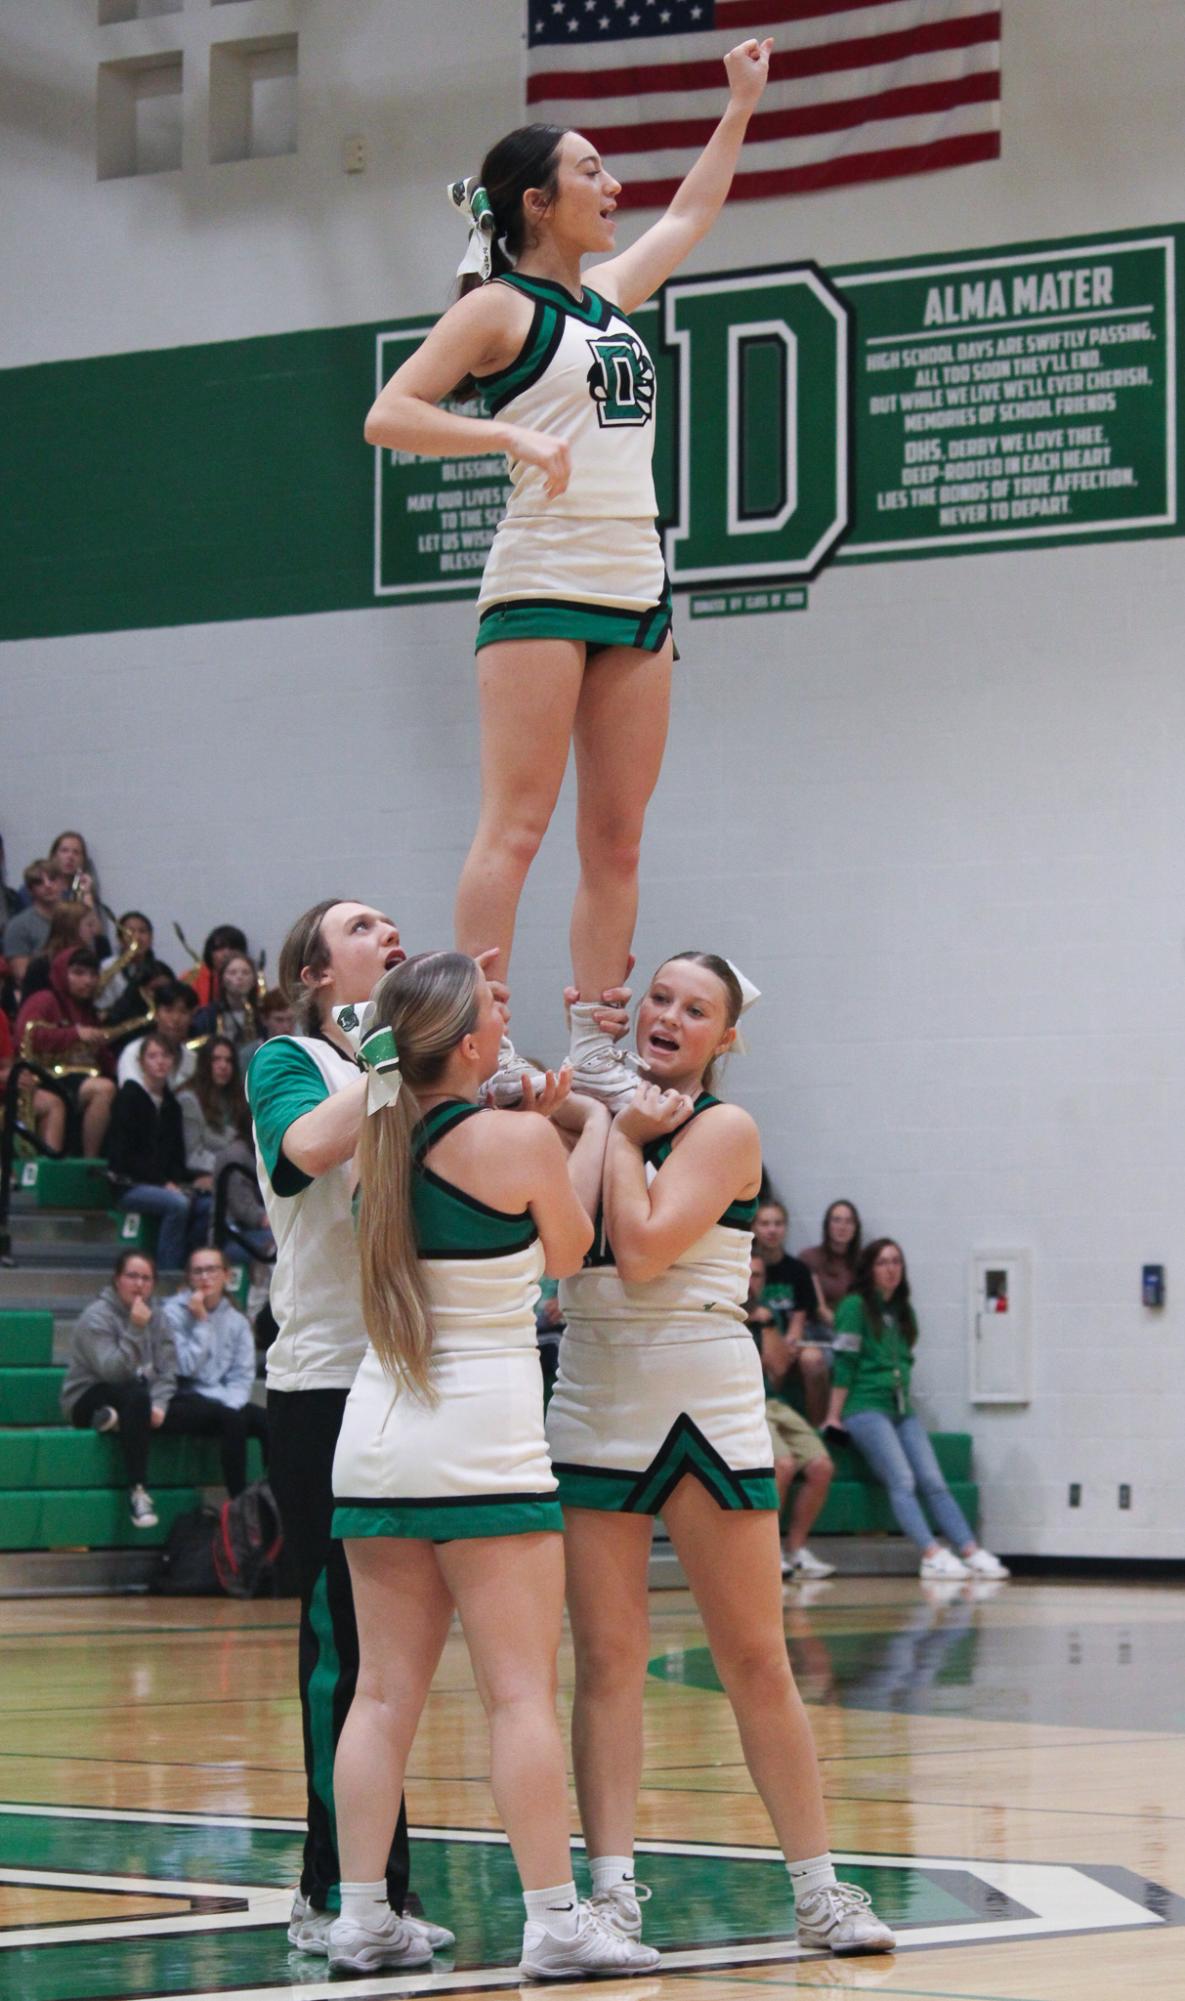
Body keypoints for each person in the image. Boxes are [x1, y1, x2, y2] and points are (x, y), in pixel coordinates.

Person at [363, 39, 773, 1106]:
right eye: (592, 171)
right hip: (540, 577)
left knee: (617, 836)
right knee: (519, 824)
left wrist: (739, 106)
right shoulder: (498, 309)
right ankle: (477, 1038)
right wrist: (509, 444)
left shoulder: (612, 296)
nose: (614, 187)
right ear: (538, 203)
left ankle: (595, 1048)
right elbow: (389, 412)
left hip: (637, 582)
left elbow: (688, 217)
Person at [546, 953, 895, 1957]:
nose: (670, 1015)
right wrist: (577, 1102)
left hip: (703, 1401)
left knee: (755, 1658)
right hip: (595, 1393)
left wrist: (613, 1129)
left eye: (696, 1009)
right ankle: (610, 1896)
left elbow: (646, 1246)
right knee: (607, 1663)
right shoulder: (599, 1109)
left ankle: (819, 1891)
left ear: (724, 1038)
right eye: (658, 996)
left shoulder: (723, 1128)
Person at [327, 950, 656, 1981]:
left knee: (380, 1697)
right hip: (486, 1444)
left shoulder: (368, 1142)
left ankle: (361, 1916)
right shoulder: (515, 1139)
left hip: (376, 1439)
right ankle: (555, 1921)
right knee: (518, 1694)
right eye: (491, 1019)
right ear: (471, 1045)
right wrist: (591, 1122)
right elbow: (569, 1251)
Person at [245, 898, 450, 1960]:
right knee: (342, 1640)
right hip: (322, 1384)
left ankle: (382, 1886)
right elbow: (303, 1153)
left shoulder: (398, 1069)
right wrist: (378, 1062)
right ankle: (330, 1888)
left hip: (407, 1377)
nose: (389, 928)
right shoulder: (290, 1058)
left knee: (396, 1652)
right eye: (362, 924)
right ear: (315, 973)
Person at [825, 1240, 1009, 1583]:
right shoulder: (854, 1306)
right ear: (869, 1269)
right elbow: (845, 1361)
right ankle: (930, 1553)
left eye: (896, 1262)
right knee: (902, 1479)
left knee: (933, 1479)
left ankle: (969, 1549)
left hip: (900, 1407)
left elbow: (906, 1353)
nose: (891, 1268)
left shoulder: (902, 1310)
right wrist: (834, 1415)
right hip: (865, 1406)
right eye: (882, 1262)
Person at [59, 1249, 177, 1529]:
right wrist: (136, 1328)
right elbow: (114, 1372)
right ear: (117, 1280)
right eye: (132, 1276)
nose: (139, 1284)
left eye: (146, 1278)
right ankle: (138, 1491)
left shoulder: (158, 1317)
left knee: (169, 1404)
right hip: (86, 1396)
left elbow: (168, 1369)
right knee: (135, 1396)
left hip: (134, 1396)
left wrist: (160, 1404)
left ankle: (114, 1421)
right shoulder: (96, 1317)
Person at [747, 1252, 835, 1583]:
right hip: (747, 1403)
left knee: (821, 1466)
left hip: (775, 1400)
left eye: (758, 1276)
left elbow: (781, 1369)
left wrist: (767, 1324)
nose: (752, 1281)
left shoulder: (766, 1316)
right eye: (748, 1274)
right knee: (782, 1465)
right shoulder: (723, 1312)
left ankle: (795, 1550)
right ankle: (767, 1556)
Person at [161, 1247, 269, 1496]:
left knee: (267, 1421)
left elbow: (242, 1377)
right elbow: (185, 1367)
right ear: (189, 1277)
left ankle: (273, 1496)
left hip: (223, 1398)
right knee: (232, 1420)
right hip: (184, 1396)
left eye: (211, 1270)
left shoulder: (237, 1321)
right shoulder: (171, 1314)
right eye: (197, 1271)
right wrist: (201, 1322)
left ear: (226, 1275)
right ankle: (238, 1502)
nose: (205, 1277)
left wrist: (231, 1403)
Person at [105, 1030, 212, 1269]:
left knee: (207, 1204)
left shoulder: (172, 1105)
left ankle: (193, 1267)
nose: (160, 1061)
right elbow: (124, 1157)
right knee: (177, 1204)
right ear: (141, 1062)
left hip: (163, 1182)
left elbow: (176, 1156)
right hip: (129, 1183)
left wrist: (193, 1180)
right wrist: (163, 1183)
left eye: (165, 1056)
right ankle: (167, 1271)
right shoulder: (129, 1097)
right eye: (153, 1056)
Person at [14, 946, 118, 1156]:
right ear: (63, 972)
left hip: (77, 1078)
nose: (87, 981)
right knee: (104, 1089)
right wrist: (75, 1034)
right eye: (79, 973)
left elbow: (102, 1057)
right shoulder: (45, 1000)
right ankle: (90, 1160)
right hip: (45, 1077)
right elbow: (27, 1036)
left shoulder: (88, 1011)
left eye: (92, 974)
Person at [753, 1197, 830, 1425]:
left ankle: (817, 1428)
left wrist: (790, 1342)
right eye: (765, 1224)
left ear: (785, 1228)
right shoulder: (746, 1266)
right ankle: (765, 1423)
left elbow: (799, 1318)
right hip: (755, 1340)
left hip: (789, 1341)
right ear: (754, 1227)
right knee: (767, 1357)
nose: (772, 1230)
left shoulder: (798, 1270)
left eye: (778, 1223)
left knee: (814, 1359)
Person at [178, 1037, 248, 1177]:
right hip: (207, 1173)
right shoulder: (189, 1100)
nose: (223, 1066)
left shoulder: (235, 1097)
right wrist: (232, 1167)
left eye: (228, 1061)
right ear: (205, 1063)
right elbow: (193, 1155)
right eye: (216, 1059)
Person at [117, 981, 198, 1090]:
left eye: (183, 1012)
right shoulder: (134, 1051)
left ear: (192, 1017)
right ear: (156, 1014)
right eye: (168, 1011)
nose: (175, 1019)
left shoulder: (193, 1060)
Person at [801, 1200, 863, 1330]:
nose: (842, 1226)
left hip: (855, 1329)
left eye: (849, 1221)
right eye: (836, 1220)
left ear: (855, 1228)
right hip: (819, 1329)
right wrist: (843, 1327)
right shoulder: (810, 1258)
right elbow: (820, 1309)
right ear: (827, 1225)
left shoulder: (864, 1261)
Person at [3, 860, 64, 990]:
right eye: (39, 882)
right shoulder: (18, 926)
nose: (48, 885)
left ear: (63, 884)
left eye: (52, 879)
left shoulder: (75, 918)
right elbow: (22, 976)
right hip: (41, 993)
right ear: (30, 890)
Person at [189, 951, 260, 1050]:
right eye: (232, 972)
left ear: (254, 981)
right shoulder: (207, 1015)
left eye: (246, 972)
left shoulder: (261, 1015)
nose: (239, 977)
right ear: (222, 979)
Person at [182, 924, 249, 1009]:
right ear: (210, 951)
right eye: (220, 948)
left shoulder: (249, 978)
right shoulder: (191, 977)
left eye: (232, 948)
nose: (226, 954)